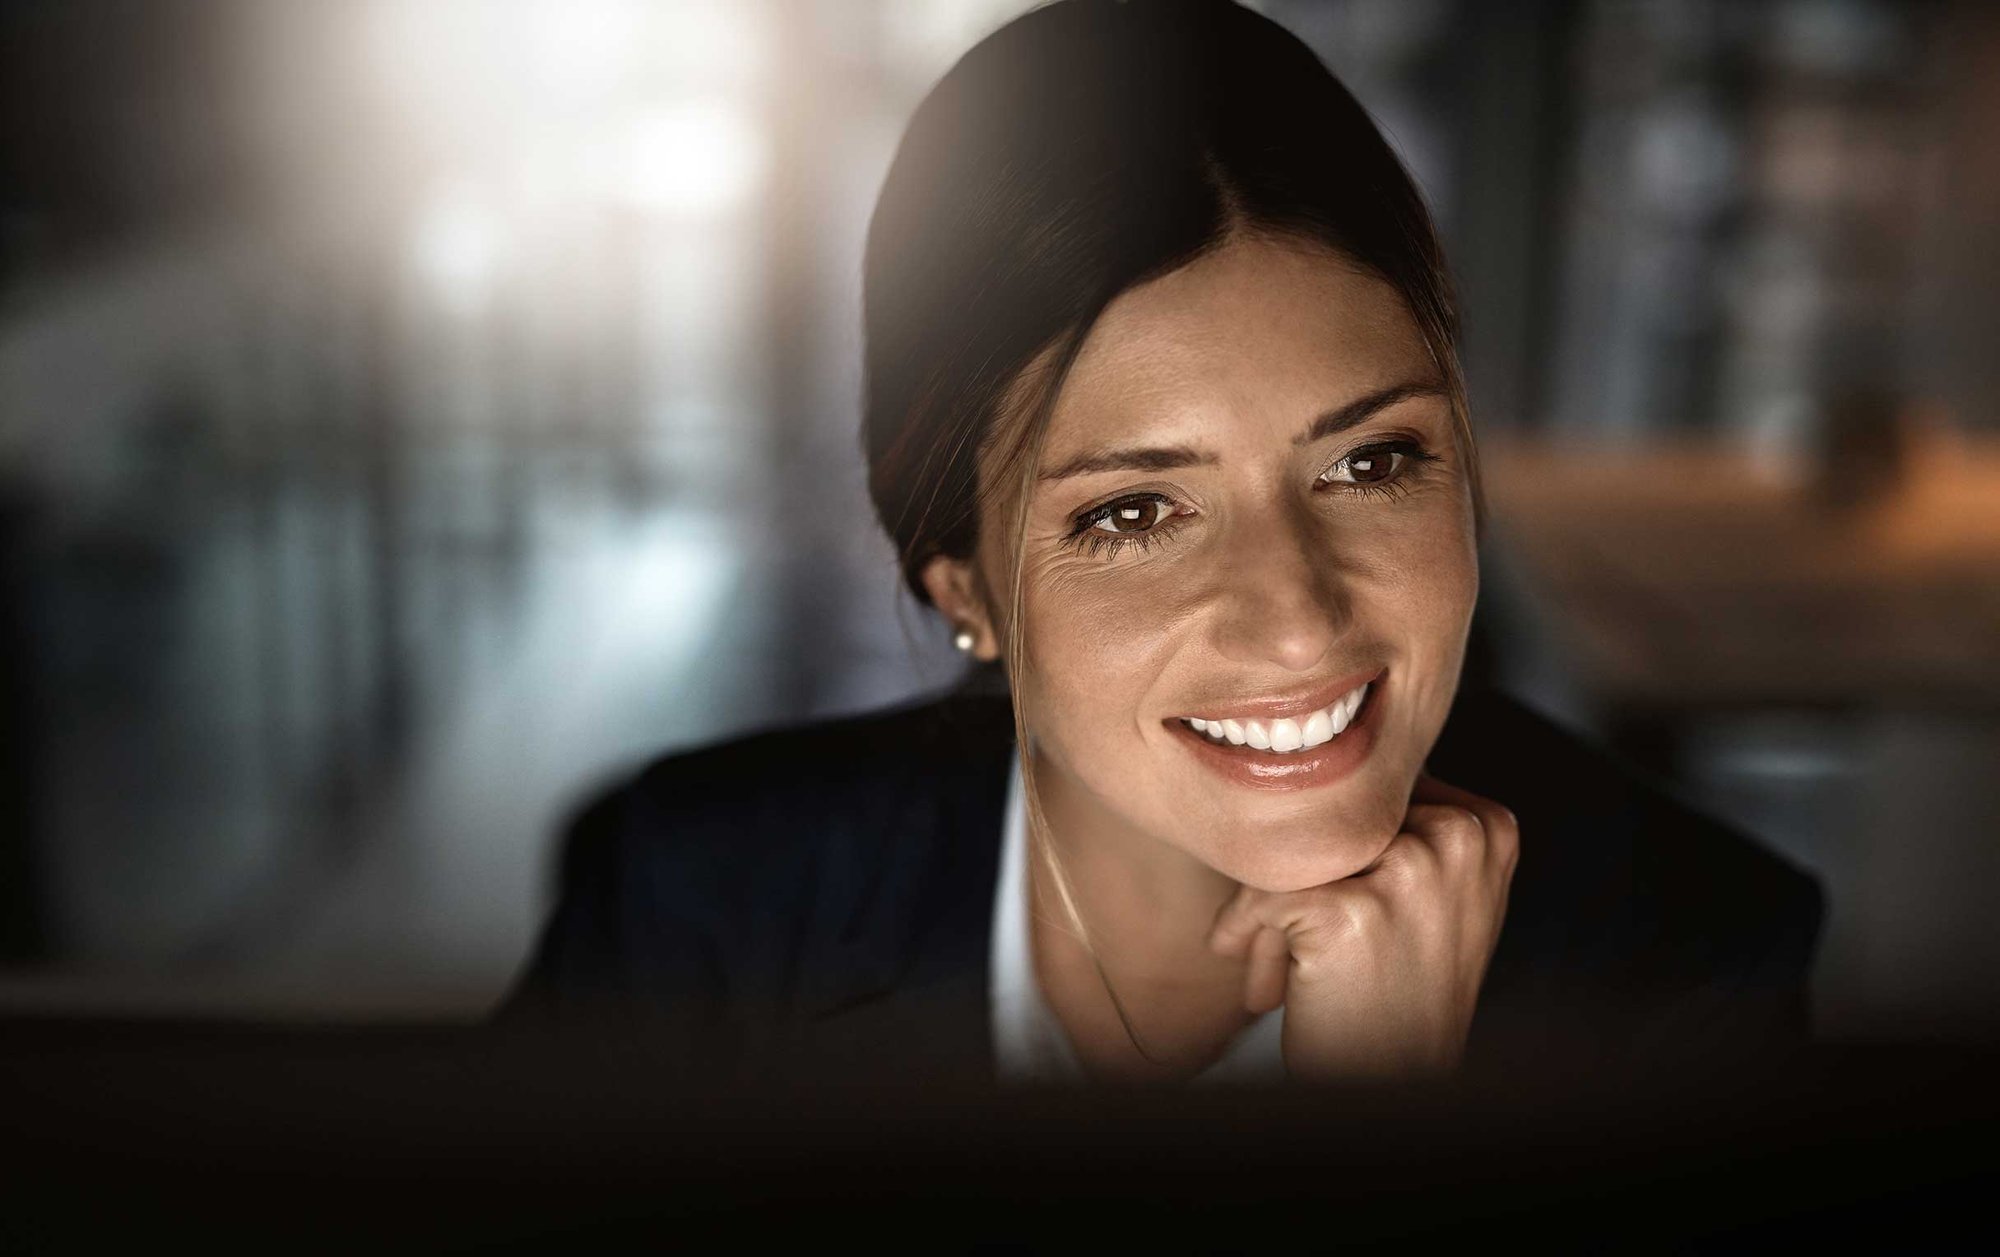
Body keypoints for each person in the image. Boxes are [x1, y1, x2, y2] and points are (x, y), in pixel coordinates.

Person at [494, 0, 1824, 1093]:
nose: (1299, 621)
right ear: (968, 588)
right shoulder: (698, 908)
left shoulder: (1686, 965)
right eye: (1133, 512)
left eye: (1372, 462)